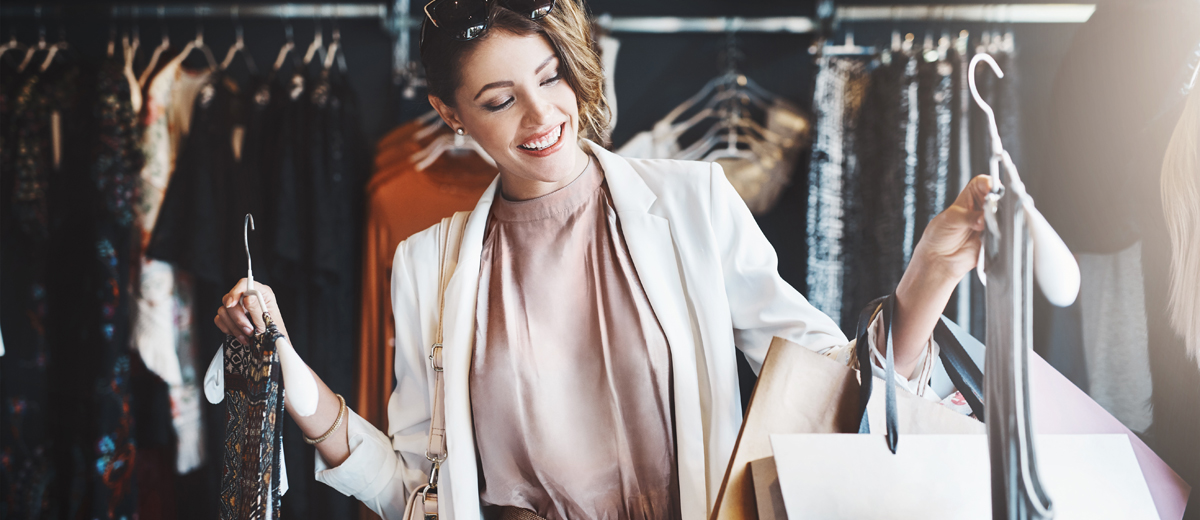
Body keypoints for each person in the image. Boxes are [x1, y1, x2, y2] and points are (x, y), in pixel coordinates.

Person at [213, 0, 992, 518]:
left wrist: (926, 280)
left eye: (550, 76)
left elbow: (838, 384)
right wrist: (290, 371)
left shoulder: (692, 202)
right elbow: (416, 491)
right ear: (452, 115)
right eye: (498, 99)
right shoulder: (428, 265)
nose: (541, 113)